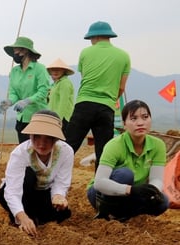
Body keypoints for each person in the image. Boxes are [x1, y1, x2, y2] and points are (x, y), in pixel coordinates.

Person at [65, 21, 131, 171]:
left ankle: (51, 184)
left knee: (67, 147)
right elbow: (121, 87)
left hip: (84, 104)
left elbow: (85, 78)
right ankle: (101, 189)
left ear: (94, 37)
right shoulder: (124, 56)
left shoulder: (85, 53)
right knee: (104, 152)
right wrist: (110, 99)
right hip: (106, 107)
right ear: (109, 36)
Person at [87, 100, 168, 221]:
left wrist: (151, 191)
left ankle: (123, 214)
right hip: (101, 194)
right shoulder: (114, 145)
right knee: (125, 174)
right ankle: (107, 211)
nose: (140, 123)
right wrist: (131, 190)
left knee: (163, 202)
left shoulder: (158, 145)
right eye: (133, 118)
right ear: (124, 124)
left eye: (145, 117)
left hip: (131, 195)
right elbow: (99, 183)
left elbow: (156, 178)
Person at [0, 110, 74, 237]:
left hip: (43, 193)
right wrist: (22, 217)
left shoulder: (66, 152)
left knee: (61, 213)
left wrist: (58, 196)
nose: (41, 143)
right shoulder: (20, 153)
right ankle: (21, 214)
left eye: (48, 138)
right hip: (21, 193)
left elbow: (61, 182)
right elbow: (12, 191)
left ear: (55, 139)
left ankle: (34, 214)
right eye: (36, 136)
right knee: (29, 176)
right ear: (30, 135)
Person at [0, 37, 50, 143]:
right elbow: (14, 93)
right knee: (24, 150)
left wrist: (27, 101)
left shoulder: (39, 69)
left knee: (38, 148)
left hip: (37, 116)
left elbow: (43, 91)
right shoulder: (14, 71)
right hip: (21, 118)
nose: (14, 53)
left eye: (16, 50)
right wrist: (10, 101)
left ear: (25, 50)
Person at [46, 58, 75, 132]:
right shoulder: (55, 84)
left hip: (62, 118)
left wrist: (58, 119)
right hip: (54, 117)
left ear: (64, 71)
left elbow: (63, 102)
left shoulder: (65, 83)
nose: (55, 72)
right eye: (53, 69)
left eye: (58, 69)